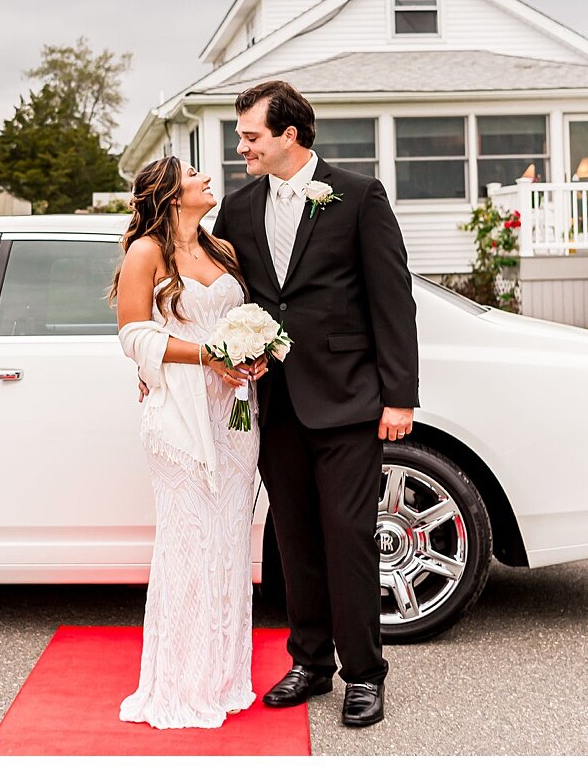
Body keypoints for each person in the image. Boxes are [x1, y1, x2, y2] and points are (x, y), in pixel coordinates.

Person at [212, 79, 418, 729]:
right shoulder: (238, 209)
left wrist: (400, 395)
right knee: (293, 539)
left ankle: (364, 674)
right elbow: (231, 297)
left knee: (350, 539)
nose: (240, 146)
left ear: (288, 136)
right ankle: (310, 661)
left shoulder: (357, 197)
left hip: (350, 400)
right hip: (274, 402)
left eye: (250, 135)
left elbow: (392, 299)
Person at [110, 156, 260, 730]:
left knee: (226, 537)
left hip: (233, 412)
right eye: (195, 175)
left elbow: (245, 319)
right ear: (172, 194)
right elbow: (132, 333)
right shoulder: (146, 252)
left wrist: (255, 355)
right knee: (187, 539)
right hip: (178, 412)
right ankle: (179, 682)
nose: (206, 179)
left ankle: (221, 677)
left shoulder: (222, 250)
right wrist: (207, 357)